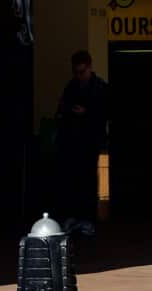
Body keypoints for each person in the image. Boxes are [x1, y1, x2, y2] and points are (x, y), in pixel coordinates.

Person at [55, 50, 107, 237]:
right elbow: (61, 108)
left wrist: (86, 113)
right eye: (76, 72)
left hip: (89, 142)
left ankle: (86, 219)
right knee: (74, 180)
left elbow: (104, 113)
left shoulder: (99, 88)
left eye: (81, 72)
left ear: (89, 67)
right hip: (74, 142)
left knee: (88, 181)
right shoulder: (74, 86)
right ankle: (77, 218)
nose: (79, 76)